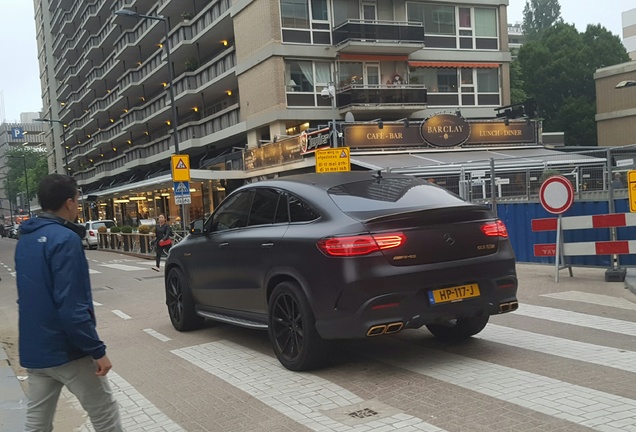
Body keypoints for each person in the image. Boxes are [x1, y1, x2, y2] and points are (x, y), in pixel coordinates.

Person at [15, 174, 122, 432]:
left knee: (36, 424)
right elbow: (71, 305)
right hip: (67, 350)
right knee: (105, 413)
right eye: (77, 199)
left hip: (35, 351)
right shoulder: (65, 239)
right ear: (70, 202)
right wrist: (97, 350)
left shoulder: (25, 239)